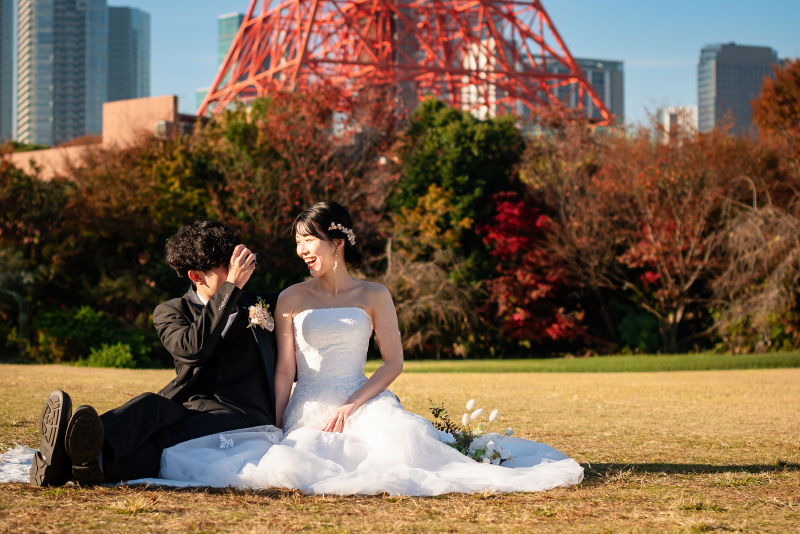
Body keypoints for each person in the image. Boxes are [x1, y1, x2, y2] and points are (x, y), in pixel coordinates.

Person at [157, 202, 584, 495]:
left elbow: (393, 362)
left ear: (336, 242)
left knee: (401, 450)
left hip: (363, 397)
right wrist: (278, 419)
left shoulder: (374, 294)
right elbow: (285, 371)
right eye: (298, 243)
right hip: (307, 404)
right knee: (299, 463)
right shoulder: (289, 298)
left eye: (309, 240)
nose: (302, 250)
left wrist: (353, 403)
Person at [30, 220, 279, 486]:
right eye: (226, 267)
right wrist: (230, 289)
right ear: (196, 276)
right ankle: (80, 454)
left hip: (242, 413)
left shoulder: (266, 304)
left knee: (167, 440)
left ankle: (61, 463)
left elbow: (314, 298)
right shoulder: (170, 311)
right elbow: (192, 350)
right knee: (150, 406)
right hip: (189, 405)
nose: (237, 272)